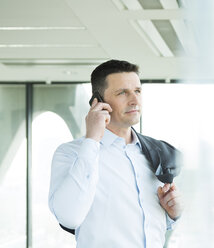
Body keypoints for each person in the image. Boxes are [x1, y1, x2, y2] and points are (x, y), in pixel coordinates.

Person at [48, 59, 183, 247]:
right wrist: (92, 139)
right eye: (122, 93)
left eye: (137, 91)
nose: (134, 100)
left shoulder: (156, 153)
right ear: (98, 102)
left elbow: (146, 225)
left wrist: (172, 214)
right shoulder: (71, 154)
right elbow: (70, 217)